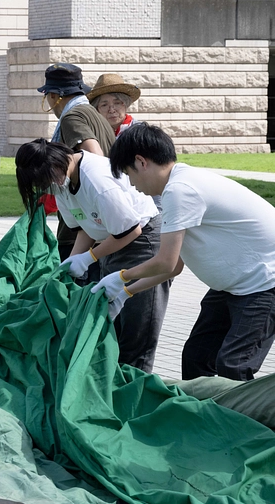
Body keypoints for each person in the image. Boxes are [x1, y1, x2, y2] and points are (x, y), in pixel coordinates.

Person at [97, 123, 275, 381]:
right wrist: (127, 292)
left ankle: (245, 410)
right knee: (197, 357)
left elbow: (165, 262)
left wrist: (121, 277)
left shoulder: (181, 190)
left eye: (128, 174)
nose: (132, 185)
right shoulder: (179, 183)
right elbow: (174, 267)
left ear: (141, 162)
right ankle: (205, 409)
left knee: (234, 365)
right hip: (236, 284)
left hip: (264, 283)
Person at [15, 138, 168, 372]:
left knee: (137, 330)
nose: (49, 187)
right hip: (112, 243)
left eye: (47, 181)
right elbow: (84, 227)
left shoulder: (96, 180)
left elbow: (130, 230)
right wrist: (71, 264)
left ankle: (138, 384)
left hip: (142, 241)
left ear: (56, 163)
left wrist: (89, 258)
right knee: (112, 325)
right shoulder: (62, 183)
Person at [37, 63, 115, 264]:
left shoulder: (71, 117)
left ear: (54, 96)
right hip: (99, 226)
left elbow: (96, 160)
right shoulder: (93, 113)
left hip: (86, 229)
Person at [88, 73, 140, 137]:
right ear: (97, 109)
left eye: (117, 103)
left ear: (125, 104)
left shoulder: (139, 132)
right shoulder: (91, 133)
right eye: (104, 105)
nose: (112, 110)